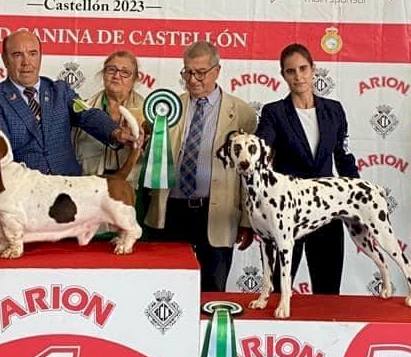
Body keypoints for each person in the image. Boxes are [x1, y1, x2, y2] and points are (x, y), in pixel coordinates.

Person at [145, 41, 257, 291]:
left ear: (217, 71)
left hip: (217, 213)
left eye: (200, 72)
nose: (192, 79)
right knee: (167, 288)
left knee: (213, 290)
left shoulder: (243, 113)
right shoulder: (168, 108)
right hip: (172, 210)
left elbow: (249, 175)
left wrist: (247, 220)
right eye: (187, 72)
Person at [255, 43, 360, 294]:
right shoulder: (273, 113)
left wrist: (357, 198)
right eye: (291, 71)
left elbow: (343, 157)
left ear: (313, 70)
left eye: (303, 69)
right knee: (280, 290)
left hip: (327, 209)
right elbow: (260, 150)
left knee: (328, 291)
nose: (298, 76)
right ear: (283, 75)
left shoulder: (334, 110)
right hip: (286, 212)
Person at [0, 30, 140, 175]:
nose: (26, 62)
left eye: (33, 54)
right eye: (17, 55)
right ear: (5, 59)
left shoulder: (60, 91)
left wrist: (115, 132)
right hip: (24, 191)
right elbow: (0, 152)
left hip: (66, 186)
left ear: (40, 56)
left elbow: (88, 114)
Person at [72, 50, 146, 186]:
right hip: (91, 184)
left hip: (130, 186)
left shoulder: (147, 111)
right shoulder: (84, 109)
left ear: (135, 79)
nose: (116, 76)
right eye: (111, 70)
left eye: (125, 72)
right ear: (103, 74)